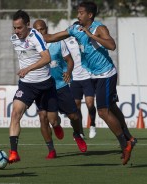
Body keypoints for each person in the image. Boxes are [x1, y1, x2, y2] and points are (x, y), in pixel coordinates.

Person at [43, 1, 136, 165]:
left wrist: (91, 36)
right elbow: (51, 37)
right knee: (112, 107)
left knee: (103, 111)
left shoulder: (99, 28)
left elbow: (112, 45)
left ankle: (125, 143)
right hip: (93, 75)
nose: (77, 15)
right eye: (77, 12)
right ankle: (129, 137)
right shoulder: (74, 29)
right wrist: (32, 35)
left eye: (80, 13)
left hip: (106, 74)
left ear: (90, 15)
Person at [8, 10, 59, 164]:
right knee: (15, 113)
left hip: (45, 84)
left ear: (28, 25)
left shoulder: (36, 36)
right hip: (27, 85)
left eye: (19, 28)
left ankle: (56, 126)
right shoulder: (14, 39)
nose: (16, 32)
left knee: (52, 120)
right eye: (14, 28)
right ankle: (13, 152)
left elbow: (47, 58)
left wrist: (28, 68)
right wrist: (26, 72)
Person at [33, 20, 87, 159]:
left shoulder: (57, 42)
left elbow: (70, 60)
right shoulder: (32, 47)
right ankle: (51, 149)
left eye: (42, 29)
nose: (40, 33)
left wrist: (68, 72)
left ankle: (77, 134)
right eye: (37, 30)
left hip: (60, 85)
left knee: (74, 116)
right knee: (45, 118)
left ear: (47, 29)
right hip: (42, 87)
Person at [64, 36, 97, 139]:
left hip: (88, 77)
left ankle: (92, 125)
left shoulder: (88, 41)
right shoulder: (68, 43)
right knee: (76, 106)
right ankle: (80, 131)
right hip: (75, 79)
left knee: (90, 104)